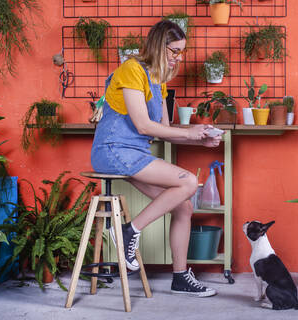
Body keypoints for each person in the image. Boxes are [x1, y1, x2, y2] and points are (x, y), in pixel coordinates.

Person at [90, 20, 221, 297]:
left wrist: (201, 137)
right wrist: (192, 134)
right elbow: (143, 126)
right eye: (174, 51)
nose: (178, 58)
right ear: (158, 46)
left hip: (134, 153)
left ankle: (180, 277)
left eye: (181, 52)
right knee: (187, 182)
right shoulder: (131, 70)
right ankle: (129, 231)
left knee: (184, 207)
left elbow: (164, 130)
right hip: (113, 150)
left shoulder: (158, 80)